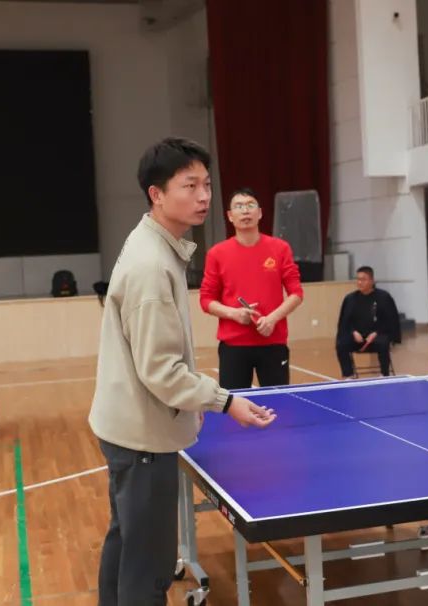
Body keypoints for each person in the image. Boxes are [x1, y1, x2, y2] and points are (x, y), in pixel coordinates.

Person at [88, 138, 277, 606]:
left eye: (207, 185)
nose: (204, 196)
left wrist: (194, 403)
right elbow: (162, 372)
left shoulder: (153, 242)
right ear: (157, 194)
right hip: (142, 438)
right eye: (189, 186)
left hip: (129, 427)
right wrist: (225, 401)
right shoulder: (152, 265)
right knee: (149, 566)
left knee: (126, 544)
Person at [200, 188, 304, 389]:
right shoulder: (216, 254)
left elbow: (296, 293)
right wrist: (234, 314)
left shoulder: (280, 248)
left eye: (250, 205)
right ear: (230, 216)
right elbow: (206, 300)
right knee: (235, 403)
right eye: (238, 206)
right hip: (233, 347)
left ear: (260, 213)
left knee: (277, 402)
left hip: (273, 342)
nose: (245, 211)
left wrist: (272, 319)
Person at [335, 266, 401, 378]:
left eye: (363, 279)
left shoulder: (384, 297)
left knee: (383, 342)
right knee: (341, 344)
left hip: (377, 337)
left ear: (372, 281)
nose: (360, 282)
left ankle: (384, 374)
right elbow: (344, 322)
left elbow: (391, 320)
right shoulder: (350, 299)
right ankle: (348, 375)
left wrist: (376, 333)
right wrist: (353, 332)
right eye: (358, 279)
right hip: (357, 339)